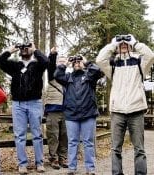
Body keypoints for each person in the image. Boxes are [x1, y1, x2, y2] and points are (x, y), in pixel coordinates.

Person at [96, 34, 154, 175]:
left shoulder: (140, 63)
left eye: (125, 43)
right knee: (116, 148)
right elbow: (99, 60)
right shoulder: (113, 64)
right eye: (120, 43)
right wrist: (113, 44)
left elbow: (150, 55)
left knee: (139, 148)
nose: (123, 44)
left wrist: (134, 42)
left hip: (136, 110)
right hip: (118, 111)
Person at [0, 43, 48, 174]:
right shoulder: (15, 66)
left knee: (37, 134)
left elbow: (46, 62)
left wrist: (35, 49)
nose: (24, 49)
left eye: (27, 48)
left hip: (35, 103)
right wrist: (10, 50)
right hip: (18, 104)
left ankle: (39, 163)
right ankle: (22, 164)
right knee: (19, 136)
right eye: (22, 48)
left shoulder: (37, 65)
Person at [54, 55, 102, 175]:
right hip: (71, 115)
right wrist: (65, 64)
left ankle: (90, 168)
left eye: (79, 62)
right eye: (75, 62)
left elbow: (97, 70)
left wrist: (85, 62)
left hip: (88, 114)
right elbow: (57, 75)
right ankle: (72, 168)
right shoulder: (68, 77)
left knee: (88, 142)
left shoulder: (89, 76)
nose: (77, 63)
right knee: (72, 142)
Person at [44, 47, 68, 170]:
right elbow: (50, 65)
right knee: (53, 135)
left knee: (65, 135)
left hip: (66, 111)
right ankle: (53, 158)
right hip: (53, 109)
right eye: (60, 61)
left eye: (64, 61)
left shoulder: (68, 76)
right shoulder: (52, 75)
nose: (62, 63)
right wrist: (53, 55)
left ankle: (62, 157)